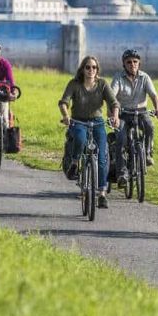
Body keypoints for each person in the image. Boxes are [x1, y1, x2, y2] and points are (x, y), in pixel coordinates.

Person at [59, 55, 120, 209]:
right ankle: (74, 163)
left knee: (102, 157)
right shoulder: (74, 84)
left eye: (94, 67)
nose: (91, 70)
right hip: (78, 121)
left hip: (98, 122)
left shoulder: (102, 84)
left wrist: (115, 116)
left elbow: (114, 103)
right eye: (88, 67)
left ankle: (102, 194)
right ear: (82, 69)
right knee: (80, 139)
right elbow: (64, 102)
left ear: (97, 70)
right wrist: (66, 116)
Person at [110, 49, 158, 178]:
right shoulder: (118, 77)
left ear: (139, 63)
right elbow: (112, 97)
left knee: (150, 127)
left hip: (141, 112)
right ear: (124, 64)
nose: (132, 64)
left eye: (135, 61)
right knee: (121, 139)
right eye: (129, 62)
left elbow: (154, 96)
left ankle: (148, 154)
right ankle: (122, 172)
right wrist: (113, 115)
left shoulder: (145, 77)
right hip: (123, 113)